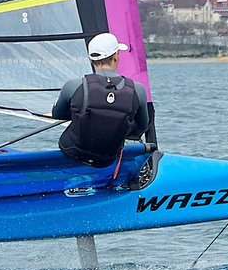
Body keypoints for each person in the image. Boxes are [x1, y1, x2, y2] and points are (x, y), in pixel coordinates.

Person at [52, 32, 156, 168]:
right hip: (109, 157)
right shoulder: (138, 90)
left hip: (74, 152)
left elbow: (57, 115)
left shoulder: (73, 85)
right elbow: (141, 127)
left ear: (90, 59)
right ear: (116, 56)